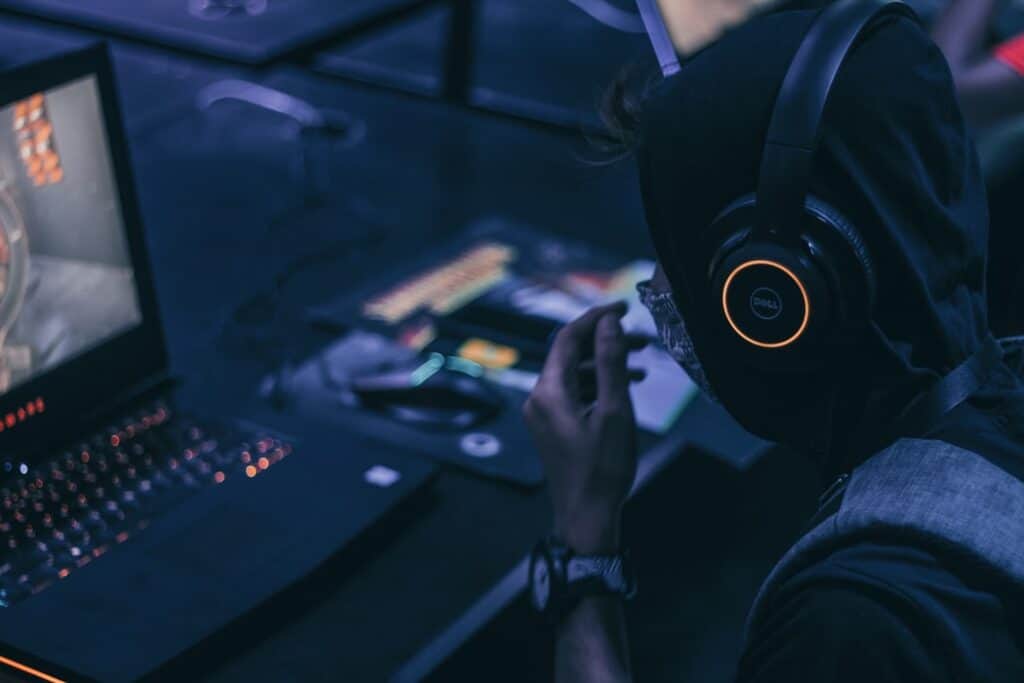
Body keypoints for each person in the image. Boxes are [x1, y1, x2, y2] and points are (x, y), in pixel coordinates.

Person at [523, 5, 1024, 682]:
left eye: (672, 248)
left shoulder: (855, 622)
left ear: (771, 291)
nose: (663, 285)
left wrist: (583, 555)